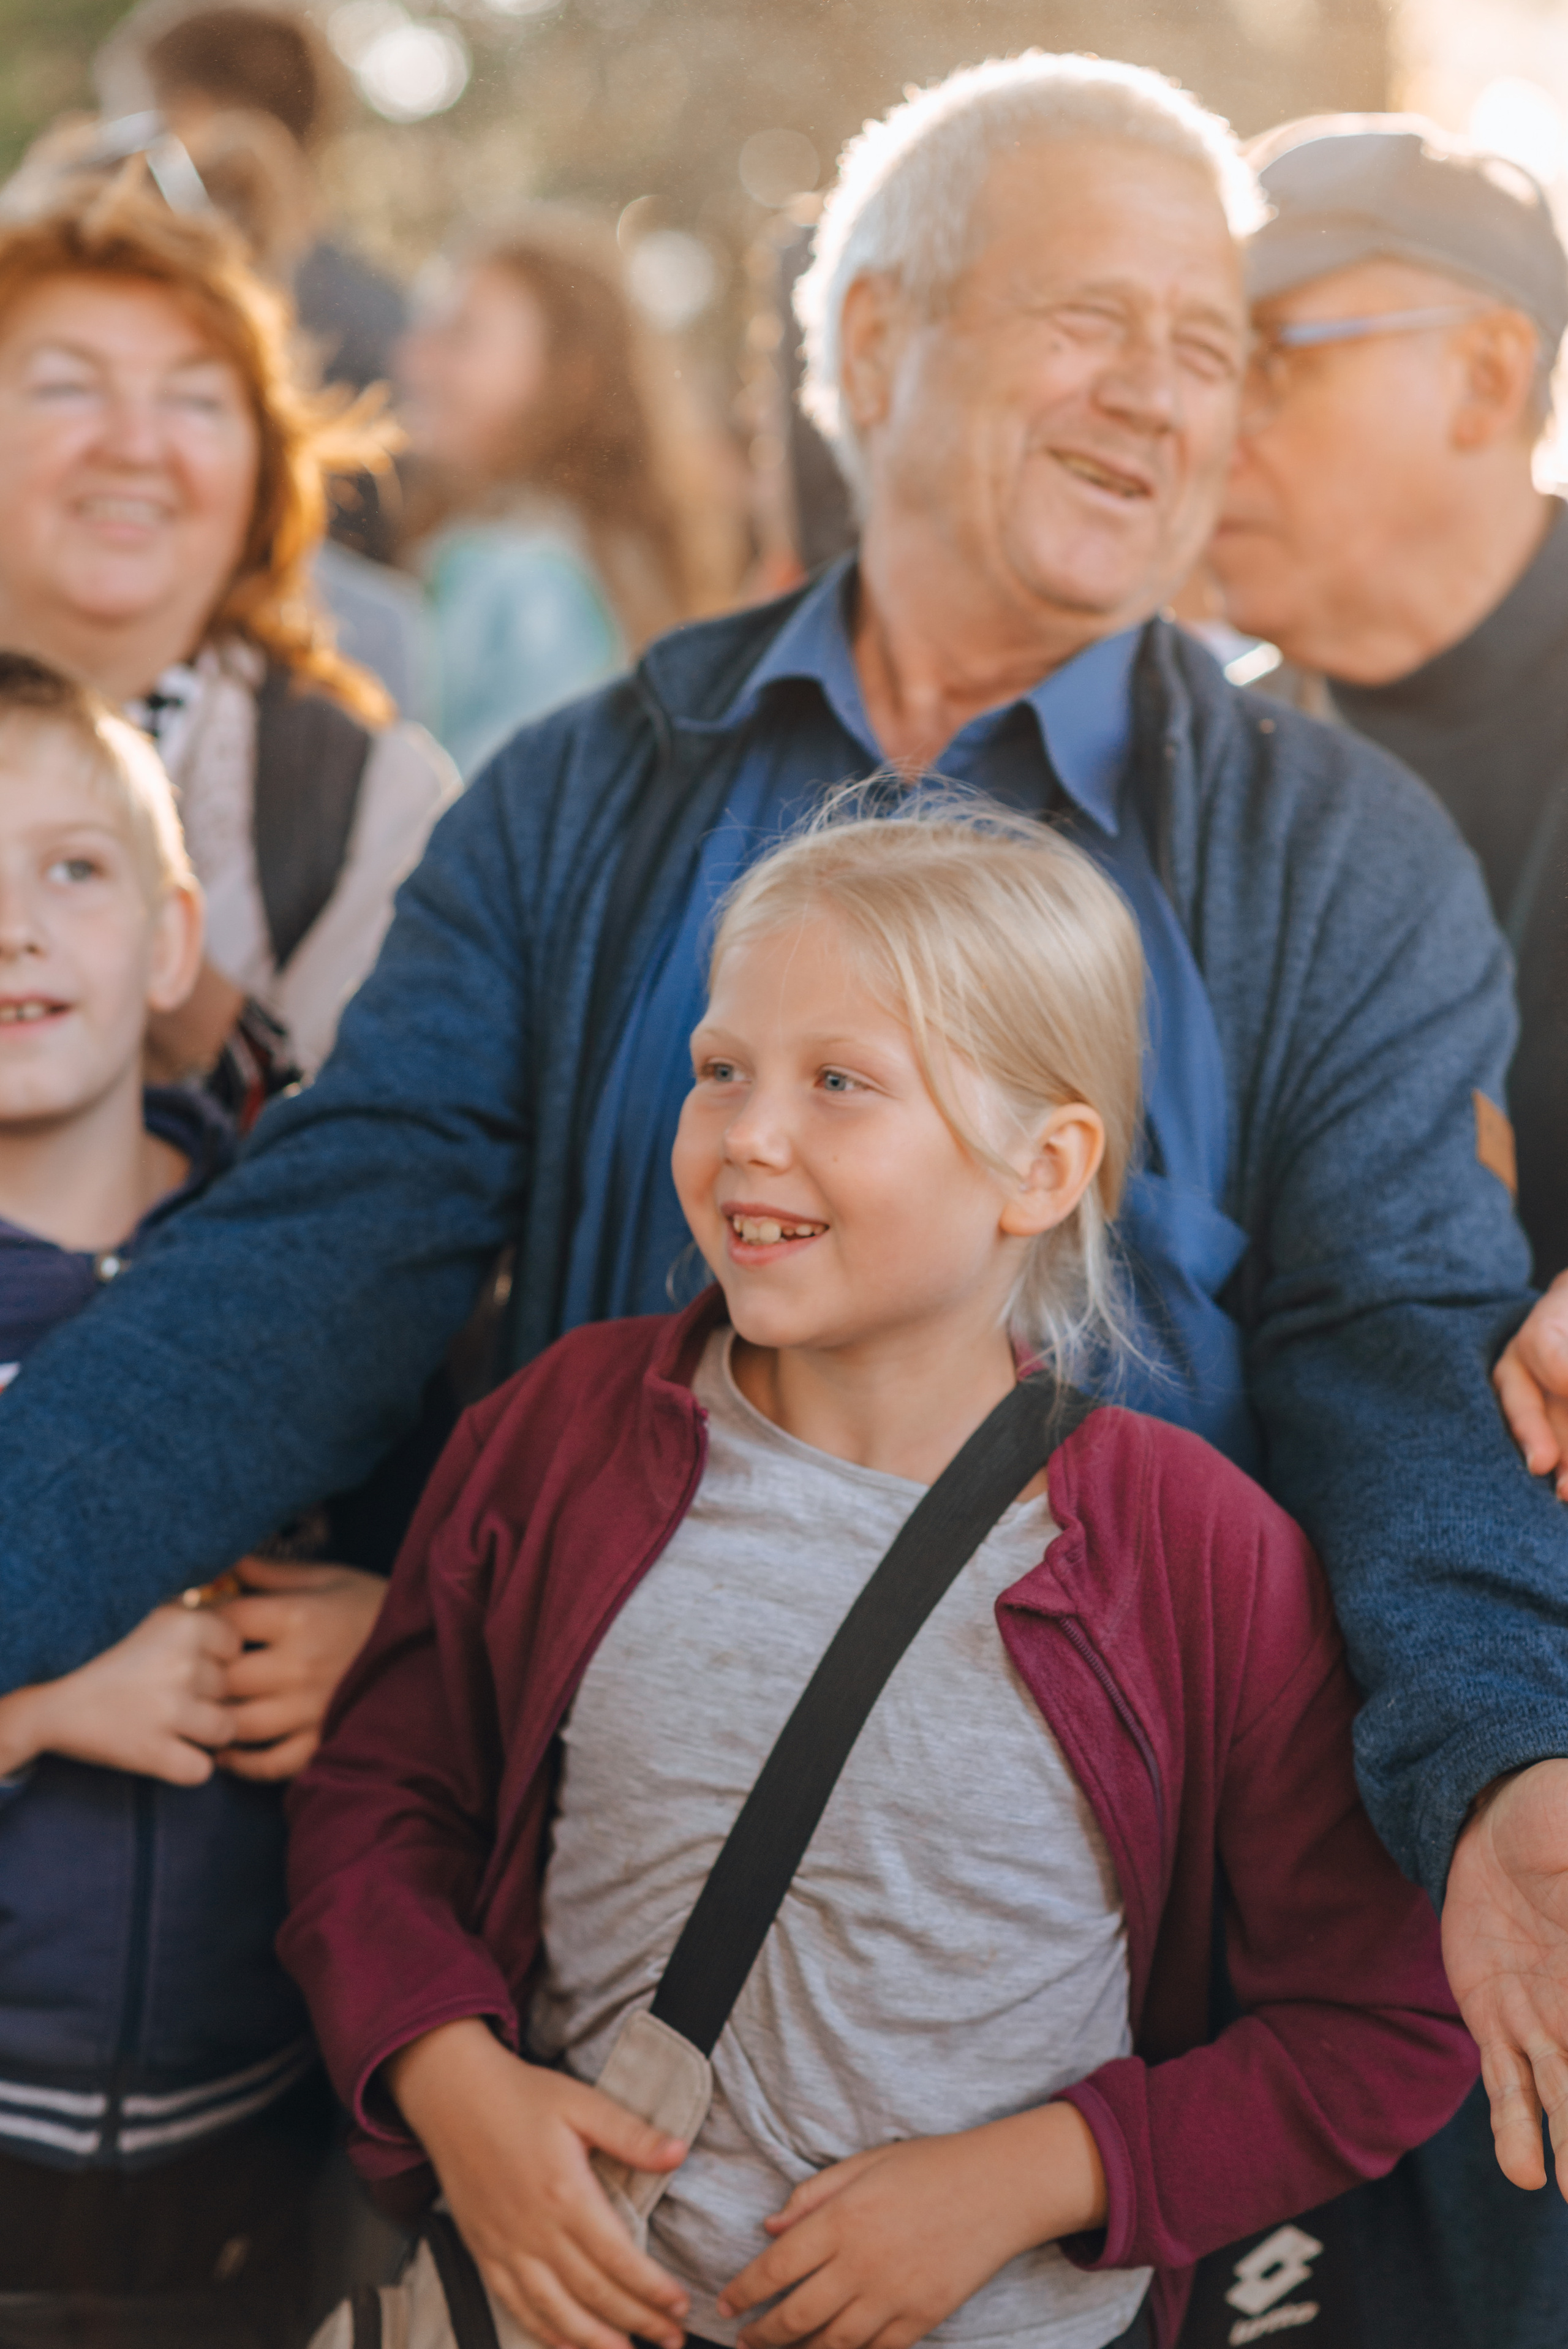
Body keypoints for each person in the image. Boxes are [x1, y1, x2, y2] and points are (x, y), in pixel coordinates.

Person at [0, 44, 1567, 2264]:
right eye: (1087, 319)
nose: (1156, 395)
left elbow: (1389, 1336)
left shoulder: (1327, 858)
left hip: (1073, 2119)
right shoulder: (583, 792)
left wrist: (1507, 1744)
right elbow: (325, 1251)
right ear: (867, 340)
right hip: (598, 2074)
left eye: (1207, 345)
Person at [285, 804, 1476, 2349]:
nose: (747, 1132)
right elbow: (380, 1802)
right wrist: (454, 2089)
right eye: (721, 1069)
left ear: (1040, 1167)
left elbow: (1376, 2023)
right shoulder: (557, 1436)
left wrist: (1028, 2175)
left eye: (838, 1082)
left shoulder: (1197, 1553)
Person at [0, 652, 384, 2343]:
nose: (15, 928)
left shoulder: (296, 1283)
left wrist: (384, 1638)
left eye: (70, 870)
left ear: (171, 942)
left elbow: (466, 1574)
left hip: (269, 2154)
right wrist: (44, 1705)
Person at [0, 165, 456, 1100]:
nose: (135, 442)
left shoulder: (367, 808)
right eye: (66, 388)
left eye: (197, 401)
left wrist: (125, 935)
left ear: (263, 477)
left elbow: (374, 1190)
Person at [1208, 115, 1568, 1288]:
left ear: (1487, 376)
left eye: (1272, 360)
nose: (1206, 429)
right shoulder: (1185, 767)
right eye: (1202, 365)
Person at [396, 213, 733, 777]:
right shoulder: (610, 557)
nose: (415, 360)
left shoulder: (522, 572)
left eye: (460, 337)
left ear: (570, 375)